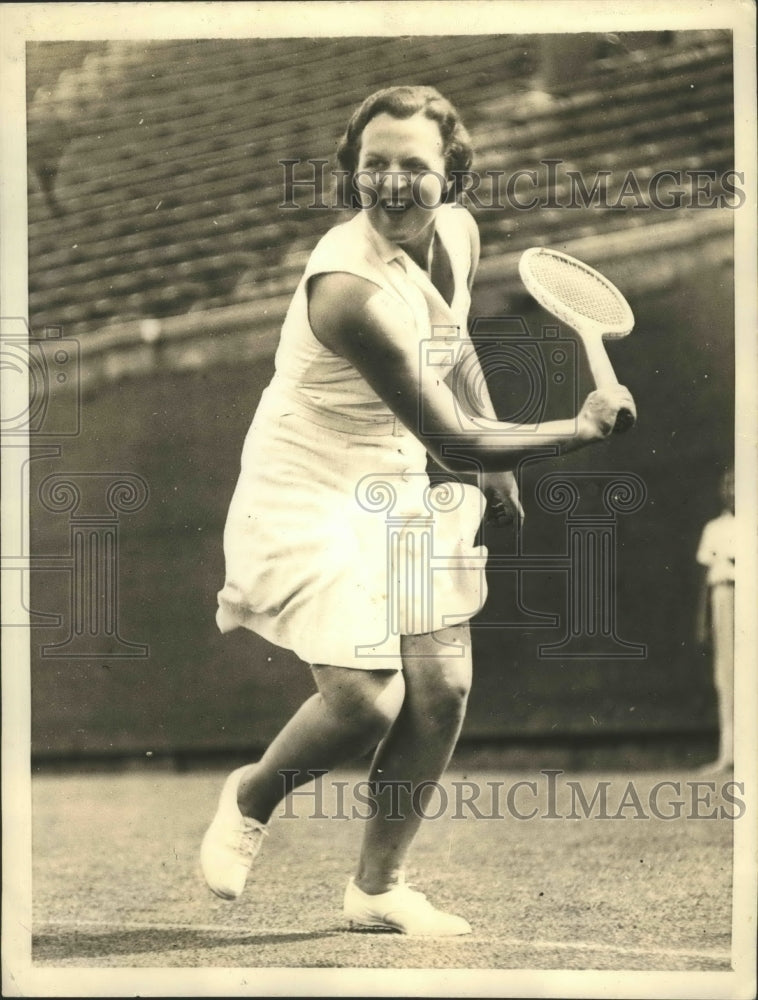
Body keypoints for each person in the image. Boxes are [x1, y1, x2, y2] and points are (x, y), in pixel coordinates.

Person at [201, 85, 636, 936]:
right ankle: (253, 794)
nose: (393, 185)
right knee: (367, 700)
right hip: (307, 489)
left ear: (453, 176)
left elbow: (453, 341)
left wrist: (497, 462)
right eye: (375, 167)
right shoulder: (346, 289)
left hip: (396, 479)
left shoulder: (460, 237)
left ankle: (377, 890)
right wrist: (569, 433)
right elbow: (456, 440)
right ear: (351, 175)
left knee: (442, 684)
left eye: (415, 167)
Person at [695, 466, 735, 772]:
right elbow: (708, 579)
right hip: (725, 597)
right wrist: (703, 620)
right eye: (727, 484)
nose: (731, 489)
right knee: (727, 676)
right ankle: (729, 755)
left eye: (737, 483)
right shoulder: (715, 528)